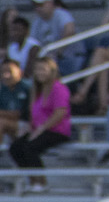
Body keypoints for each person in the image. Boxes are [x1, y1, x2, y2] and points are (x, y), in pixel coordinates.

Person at [8, 57, 70, 190]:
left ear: (51, 71)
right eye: (37, 69)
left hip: (55, 130)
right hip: (38, 129)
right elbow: (33, 113)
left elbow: (60, 113)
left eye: (43, 69)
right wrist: (30, 127)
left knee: (30, 148)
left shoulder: (59, 88)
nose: (39, 72)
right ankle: (32, 180)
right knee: (15, 148)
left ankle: (41, 181)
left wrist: (41, 128)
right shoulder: (36, 90)